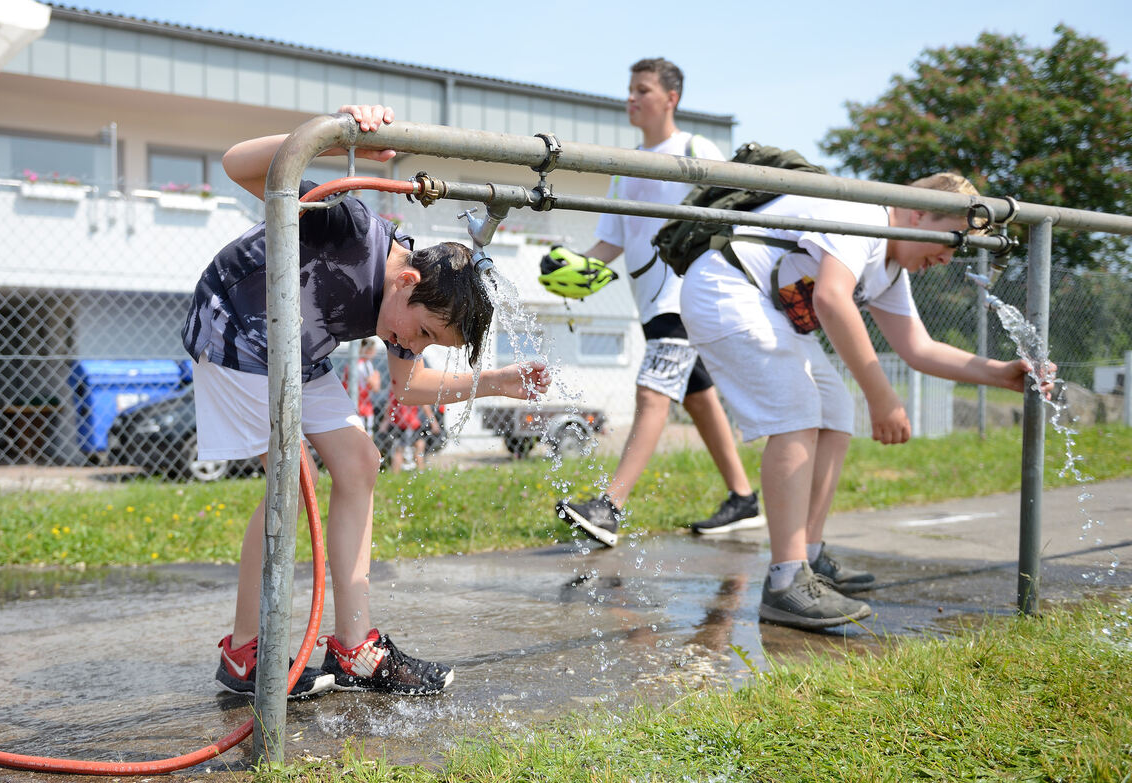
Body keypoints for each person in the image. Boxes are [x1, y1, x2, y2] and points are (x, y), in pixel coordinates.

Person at [182, 105, 551, 697]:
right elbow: (238, 164)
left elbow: (409, 387)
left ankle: (355, 649)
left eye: (429, 343)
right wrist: (331, 137)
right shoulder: (348, 226)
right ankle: (245, 653)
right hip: (234, 330)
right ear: (407, 281)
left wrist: (496, 381)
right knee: (293, 481)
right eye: (423, 334)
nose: (413, 346)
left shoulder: (408, 306)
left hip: (295, 350)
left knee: (360, 461)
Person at [677, 172, 1055, 631]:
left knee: (834, 408)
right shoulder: (863, 216)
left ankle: (807, 557)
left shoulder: (890, 267)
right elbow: (832, 299)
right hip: (726, 288)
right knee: (798, 412)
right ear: (917, 214)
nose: (948, 256)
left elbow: (918, 347)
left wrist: (999, 373)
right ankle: (785, 581)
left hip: (764, 308)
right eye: (950, 239)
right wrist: (882, 396)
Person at [553, 58, 759, 547]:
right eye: (630, 89)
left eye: (642, 89)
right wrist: (572, 271)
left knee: (651, 393)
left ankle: (609, 508)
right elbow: (611, 242)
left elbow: (731, 217)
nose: (632, 97)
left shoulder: (694, 150)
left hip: (690, 295)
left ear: (671, 98)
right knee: (698, 395)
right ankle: (743, 498)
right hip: (651, 303)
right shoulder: (626, 166)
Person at [344, 337, 383, 433]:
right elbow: (375, 387)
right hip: (363, 407)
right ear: (368, 351)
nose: (374, 354)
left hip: (356, 404)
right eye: (373, 350)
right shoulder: (364, 365)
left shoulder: (354, 363)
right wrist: (376, 375)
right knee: (366, 433)